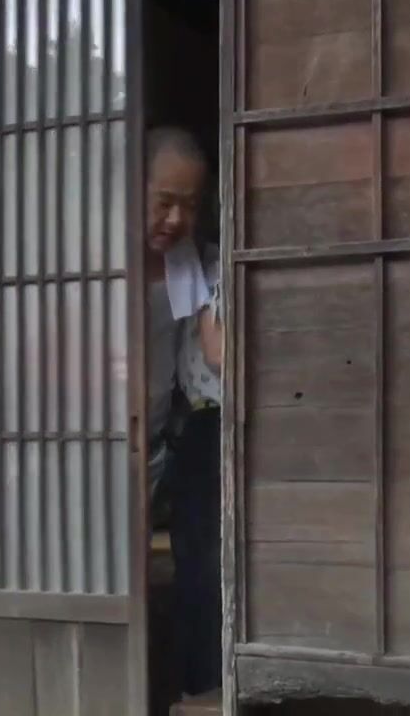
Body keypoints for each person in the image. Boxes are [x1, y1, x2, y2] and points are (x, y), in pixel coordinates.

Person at [142, 126, 223, 697]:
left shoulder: (187, 260)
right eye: (164, 201)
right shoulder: (94, 250)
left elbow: (210, 347)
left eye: (189, 206)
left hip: (151, 437)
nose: (175, 219)